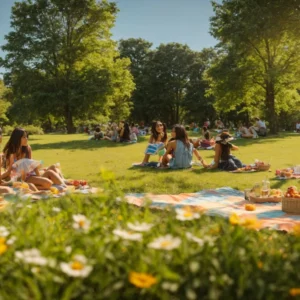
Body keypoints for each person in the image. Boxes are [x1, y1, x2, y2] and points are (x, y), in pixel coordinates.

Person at [1, 128, 65, 190]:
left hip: (31, 175)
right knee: (48, 182)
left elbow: (32, 165)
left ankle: (64, 185)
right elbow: (9, 172)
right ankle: (49, 187)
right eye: (24, 137)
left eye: (26, 136)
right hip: (22, 178)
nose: (26, 139)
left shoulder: (27, 148)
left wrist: (39, 176)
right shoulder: (11, 153)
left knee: (53, 168)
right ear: (17, 138)